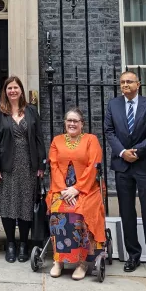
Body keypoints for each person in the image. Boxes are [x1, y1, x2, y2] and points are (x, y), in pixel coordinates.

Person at [103, 71, 146, 276]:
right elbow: (109, 131)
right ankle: (133, 255)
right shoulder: (113, 105)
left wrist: (136, 152)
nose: (125, 85)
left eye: (129, 82)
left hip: (144, 164)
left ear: (138, 84)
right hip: (122, 166)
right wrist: (122, 152)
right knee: (126, 212)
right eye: (122, 82)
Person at [0, 76, 45, 263]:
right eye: (9, 88)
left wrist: (40, 165)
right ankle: (11, 243)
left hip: (29, 165)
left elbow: (39, 139)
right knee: (8, 205)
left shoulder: (31, 111)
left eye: (16, 87)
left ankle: (24, 244)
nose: (13, 91)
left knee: (26, 206)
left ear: (21, 90)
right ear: (5, 91)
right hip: (6, 166)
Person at [46, 108, 106, 280]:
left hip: (87, 189)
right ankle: (59, 261)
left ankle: (82, 263)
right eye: (69, 121)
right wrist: (63, 190)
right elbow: (54, 166)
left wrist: (77, 189)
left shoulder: (91, 140)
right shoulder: (57, 140)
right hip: (62, 189)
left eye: (75, 121)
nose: (72, 124)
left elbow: (93, 165)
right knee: (57, 210)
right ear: (65, 123)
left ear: (82, 124)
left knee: (80, 212)